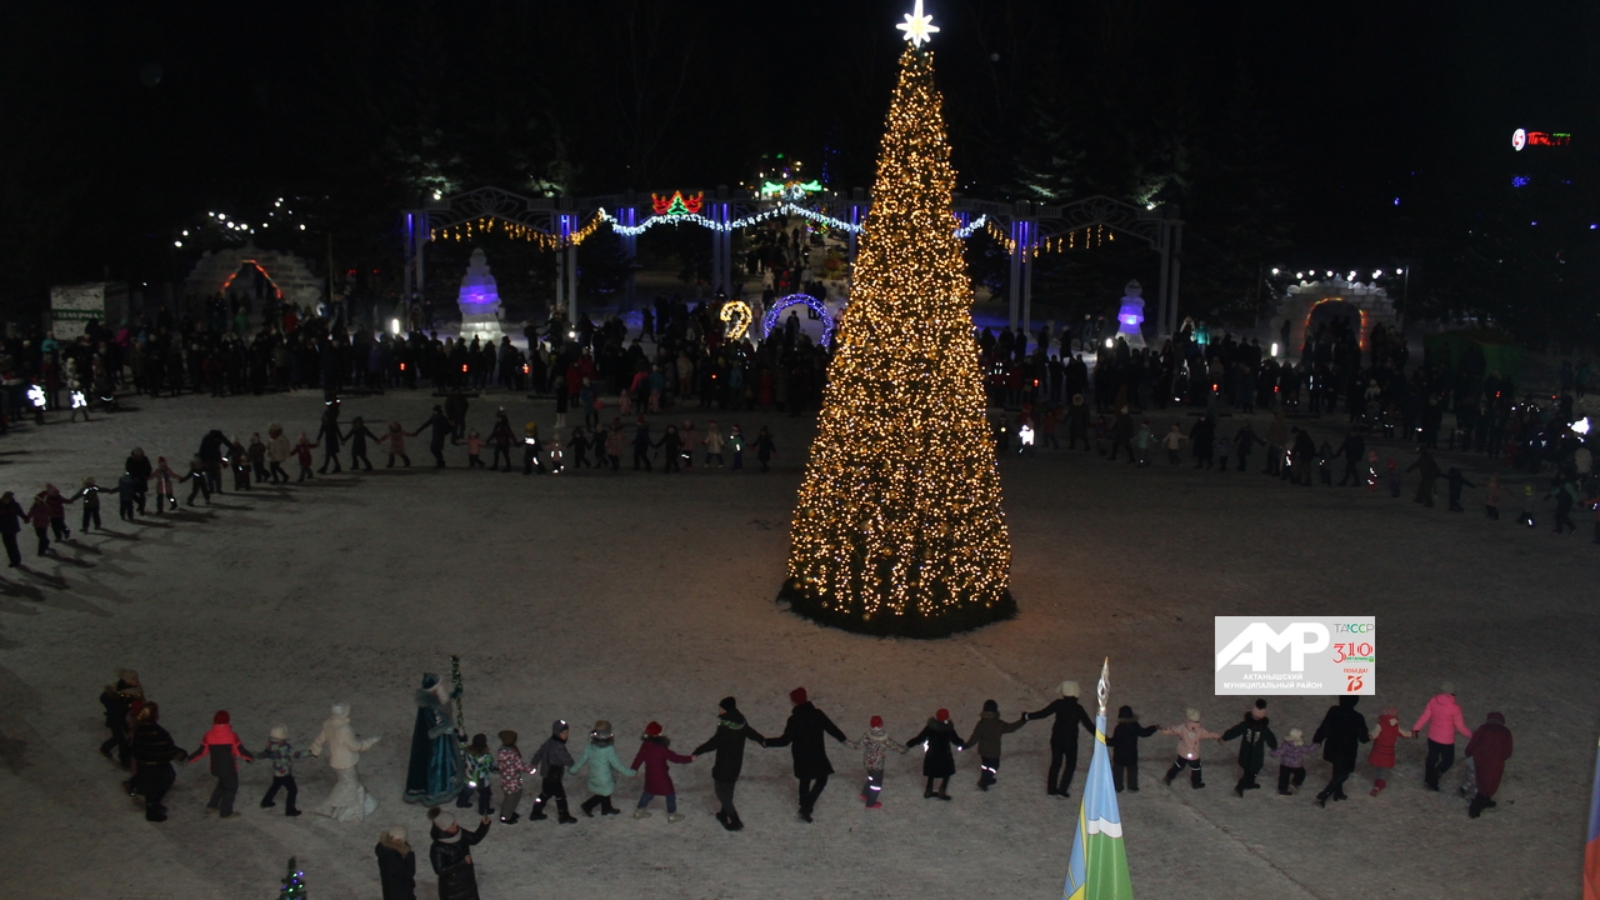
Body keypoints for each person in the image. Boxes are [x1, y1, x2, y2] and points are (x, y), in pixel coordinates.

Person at [765, 686, 848, 822]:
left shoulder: (794, 719)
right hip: (817, 754)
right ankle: (806, 807)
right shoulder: (817, 714)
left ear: (794, 702)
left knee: (805, 780)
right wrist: (843, 739)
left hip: (801, 756)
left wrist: (767, 742)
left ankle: (804, 806)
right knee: (822, 780)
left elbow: (784, 741)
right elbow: (831, 728)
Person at [691, 697, 766, 831]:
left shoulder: (726, 726)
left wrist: (698, 751)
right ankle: (723, 814)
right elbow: (749, 731)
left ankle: (736, 821)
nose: (719, 711)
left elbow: (715, 742)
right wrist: (761, 739)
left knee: (721, 794)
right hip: (736, 764)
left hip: (724, 765)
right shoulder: (740, 719)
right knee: (729, 789)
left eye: (721, 708)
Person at [310, 701, 381, 821]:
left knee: (352, 783)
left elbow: (321, 738)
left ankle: (364, 806)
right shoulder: (344, 729)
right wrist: (369, 742)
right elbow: (355, 746)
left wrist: (315, 748)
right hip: (346, 762)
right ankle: (337, 809)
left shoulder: (329, 723)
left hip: (336, 761)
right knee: (349, 784)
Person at [1025, 680, 1096, 797]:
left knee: (1056, 763)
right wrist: (1102, 738)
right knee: (1070, 764)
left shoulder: (1058, 704)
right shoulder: (1078, 708)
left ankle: (1051, 788)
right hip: (1071, 741)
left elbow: (1043, 714)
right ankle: (1063, 789)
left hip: (1057, 739)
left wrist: (1027, 716)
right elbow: (1088, 725)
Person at [404, 673, 464, 806]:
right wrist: (452, 730)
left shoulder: (435, 699)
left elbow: (445, 703)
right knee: (438, 764)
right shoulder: (429, 707)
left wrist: (454, 694)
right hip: (436, 744)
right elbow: (434, 728)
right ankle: (437, 791)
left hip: (444, 738)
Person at [189, 710, 254, 819]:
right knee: (231, 788)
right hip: (229, 769)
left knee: (222, 784)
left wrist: (190, 759)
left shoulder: (208, 735)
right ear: (228, 721)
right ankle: (226, 812)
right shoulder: (232, 736)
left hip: (216, 768)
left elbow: (201, 751)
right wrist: (250, 757)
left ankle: (212, 805)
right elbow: (240, 751)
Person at [130, 702, 187, 822]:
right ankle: (151, 812)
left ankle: (153, 803)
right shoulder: (156, 731)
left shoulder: (139, 728)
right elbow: (164, 748)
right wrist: (178, 753)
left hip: (144, 763)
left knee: (156, 785)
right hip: (155, 765)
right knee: (158, 786)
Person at [1413, 681, 1473, 791]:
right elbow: (1460, 727)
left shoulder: (1433, 701)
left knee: (1432, 758)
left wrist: (1416, 728)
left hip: (1432, 736)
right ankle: (1433, 778)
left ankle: (1428, 778)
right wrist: (1472, 736)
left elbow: (1425, 716)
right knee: (1448, 760)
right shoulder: (1455, 708)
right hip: (1446, 740)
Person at [630, 721, 695, 822]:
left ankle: (639, 811)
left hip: (650, 775)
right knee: (670, 794)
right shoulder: (661, 748)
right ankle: (672, 814)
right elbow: (675, 758)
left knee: (648, 792)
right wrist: (689, 759)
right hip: (662, 776)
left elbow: (638, 759)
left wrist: (633, 770)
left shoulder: (645, 746)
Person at [1311, 695, 1369, 806]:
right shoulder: (1357, 717)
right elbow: (1363, 737)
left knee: (1337, 769)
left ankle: (1338, 792)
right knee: (1344, 773)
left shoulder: (1334, 711)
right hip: (1347, 750)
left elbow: (1325, 726)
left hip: (1333, 746)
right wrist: (1368, 738)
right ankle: (1325, 793)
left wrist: (1318, 739)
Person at [572, 720, 634, 819]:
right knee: (603, 794)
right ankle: (587, 806)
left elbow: (581, 760)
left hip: (594, 775)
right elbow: (617, 765)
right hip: (604, 778)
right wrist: (631, 773)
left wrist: (573, 770)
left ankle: (606, 808)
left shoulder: (590, 747)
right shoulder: (609, 749)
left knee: (604, 792)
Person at [846, 715, 907, 809]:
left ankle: (865, 793)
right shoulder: (884, 738)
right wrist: (903, 750)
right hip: (878, 764)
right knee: (876, 785)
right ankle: (871, 802)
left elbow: (856, 746)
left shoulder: (867, 735)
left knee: (870, 777)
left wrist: (846, 742)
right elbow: (894, 746)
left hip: (867, 762)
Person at [428, 808, 491, 900]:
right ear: (444, 828)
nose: (456, 824)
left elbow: (474, 839)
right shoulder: (438, 848)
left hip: (468, 883)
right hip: (452, 888)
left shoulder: (460, 833)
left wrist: (483, 826)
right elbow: (440, 870)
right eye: (452, 824)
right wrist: (462, 862)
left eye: (454, 821)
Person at [1220, 699, 1278, 797]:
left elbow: (1270, 737)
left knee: (1254, 771)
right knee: (1248, 773)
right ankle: (1240, 787)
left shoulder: (1263, 729)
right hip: (1246, 753)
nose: (1256, 718)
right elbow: (1235, 731)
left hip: (1256, 755)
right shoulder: (1246, 726)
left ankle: (1250, 783)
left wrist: (1273, 746)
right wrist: (1225, 737)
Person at [965, 699, 1027, 791]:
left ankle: (986, 779)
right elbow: (1011, 728)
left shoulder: (981, 724)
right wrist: (1023, 720)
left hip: (983, 751)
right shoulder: (999, 724)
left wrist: (966, 745)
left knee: (985, 766)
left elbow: (975, 737)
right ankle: (984, 781)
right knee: (994, 767)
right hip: (994, 753)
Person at [906, 708, 966, 800]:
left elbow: (920, 738)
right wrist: (962, 743)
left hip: (932, 754)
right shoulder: (948, 729)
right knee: (947, 773)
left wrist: (910, 744)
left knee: (931, 773)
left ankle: (928, 791)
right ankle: (942, 791)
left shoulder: (930, 728)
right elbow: (955, 740)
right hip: (945, 755)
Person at [1463, 711, 1513, 818]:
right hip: (1497, 761)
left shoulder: (1483, 729)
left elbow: (1473, 743)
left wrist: (1469, 753)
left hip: (1481, 759)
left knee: (1482, 781)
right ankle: (1476, 808)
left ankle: (1483, 801)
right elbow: (1508, 750)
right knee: (1492, 782)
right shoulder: (1506, 732)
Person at [528, 719, 578, 824]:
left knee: (545, 794)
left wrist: (534, 763)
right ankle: (563, 815)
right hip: (554, 775)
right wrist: (573, 765)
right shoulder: (558, 746)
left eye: (567, 733)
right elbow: (565, 758)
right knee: (560, 796)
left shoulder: (549, 742)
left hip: (546, 775)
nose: (566, 735)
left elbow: (539, 753)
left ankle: (536, 811)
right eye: (563, 733)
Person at [1162, 708, 1221, 790]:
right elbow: (1209, 734)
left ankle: (1169, 777)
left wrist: (1163, 730)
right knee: (1196, 768)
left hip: (1183, 753)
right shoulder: (1200, 731)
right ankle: (1196, 783)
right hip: (1194, 754)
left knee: (1178, 765)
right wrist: (1219, 737)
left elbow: (1172, 730)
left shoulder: (1182, 727)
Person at [258, 724, 309, 816]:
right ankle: (290, 810)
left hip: (277, 772)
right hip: (285, 773)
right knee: (292, 790)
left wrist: (250, 755)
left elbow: (262, 755)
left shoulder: (270, 747)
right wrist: (309, 752)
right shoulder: (285, 747)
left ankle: (266, 801)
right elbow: (297, 755)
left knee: (275, 786)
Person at [1108, 705, 1159, 793]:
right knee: (1132, 771)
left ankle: (1118, 787)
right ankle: (1132, 787)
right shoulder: (1135, 725)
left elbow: (1114, 741)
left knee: (1118, 772)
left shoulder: (1119, 728)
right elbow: (1144, 732)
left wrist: (1106, 740)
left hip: (1119, 755)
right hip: (1132, 754)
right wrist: (1154, 728)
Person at [98, 669, 143, 766]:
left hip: (124, 719)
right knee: (122, 739)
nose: (137, 680)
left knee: (119, 738)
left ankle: (107, 748)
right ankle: (124, 760)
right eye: (133, 679)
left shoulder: (131, 689)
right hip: (118, 720)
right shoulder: (123, 694)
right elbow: (120, 712)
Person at [1367, 706, 1414, 796]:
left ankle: (1377, 784)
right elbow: (1404, 734)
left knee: (1379, 766)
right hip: (1389, 752)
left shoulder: (1380, 724)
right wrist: (1412, 733)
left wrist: (1367, 737)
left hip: (1378, 749)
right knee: (1385, 769)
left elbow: (1374, 734)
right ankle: (1379, 786)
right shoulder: (1396, 726)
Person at [493, 730, 534, 824]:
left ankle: (509, 812)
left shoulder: (502, 751)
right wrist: (530, 769)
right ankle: (505, 817)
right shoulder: (512, 754)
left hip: (508, 780)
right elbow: (519, 765)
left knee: (515, 796)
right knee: (510, 800)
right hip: (512, 782)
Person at [1269, 728, 1318, 795]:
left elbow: (1280, 751)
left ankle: (1283, 789)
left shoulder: (1286, 744)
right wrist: (1315, 745)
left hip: (1285, 763)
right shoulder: (1300, 745)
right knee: (1301, 773)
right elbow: (1308, 750)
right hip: (1297, 764)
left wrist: (1273, 753)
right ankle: (1296, 782)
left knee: (1283, 777)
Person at [455, 734, 493, 816]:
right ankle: (484, 809)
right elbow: (490, 766)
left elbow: (461, 750)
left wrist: (462, 741)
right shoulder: (486, 756)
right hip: (481, 780)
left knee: (467, 791)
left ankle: (461, 802)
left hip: (470, 776)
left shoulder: (467, 752)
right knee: (485, 795)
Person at [375, 826, 416, 900]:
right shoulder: (394, 857)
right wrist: (409, 855)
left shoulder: (384, 851)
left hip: (390, 891)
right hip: (400, 894)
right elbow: (409, 872)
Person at [0, 491, 22, 567]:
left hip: (12, 529)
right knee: (8, 546)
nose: (6, 500)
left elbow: (20, 513)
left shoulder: (14, 505)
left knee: (12, 545)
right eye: (5, 498)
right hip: (4, 529)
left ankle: (16, 561)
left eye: (8, 498)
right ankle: (13, 561)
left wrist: (26, 518)